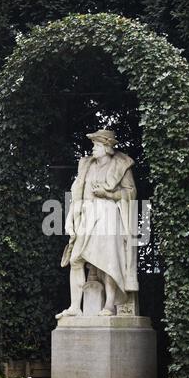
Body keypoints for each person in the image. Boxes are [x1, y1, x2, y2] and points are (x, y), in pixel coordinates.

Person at [56, 129, 138, 319]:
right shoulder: (87, 166)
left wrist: (108, 194)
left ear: (107, 147)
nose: (93, 149)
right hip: (87, 214)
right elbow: (77, 192)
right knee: (75, 259)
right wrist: (71, 217)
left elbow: (130, 194)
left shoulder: (121, 166)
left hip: (109, 215)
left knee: (107, 261)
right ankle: (75, 306)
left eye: (97, 146)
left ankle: (109, 304)